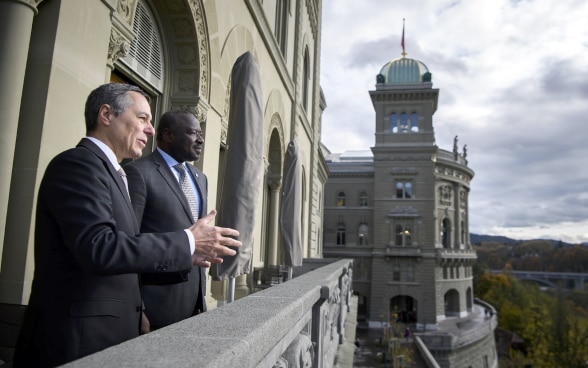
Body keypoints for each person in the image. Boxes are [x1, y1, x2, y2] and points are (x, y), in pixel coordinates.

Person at [13, 83, 242, 368]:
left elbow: (128, 247)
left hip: (113, 339)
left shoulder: (115, 173)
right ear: (106, 114)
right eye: (143, 118)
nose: (151, 129)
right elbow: (99, 248)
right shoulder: (77, 165)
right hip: (77, 343)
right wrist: (186, 241)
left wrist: (186, 253)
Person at [125, 110, 209, 331]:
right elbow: (128, 244)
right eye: (193, 133)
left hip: (193, 308)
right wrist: (138, 308)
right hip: (155, 308)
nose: (201, 140)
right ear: (168, 135)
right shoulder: (138, 173)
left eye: (200, 133)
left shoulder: (201, 179)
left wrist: (200, 298)